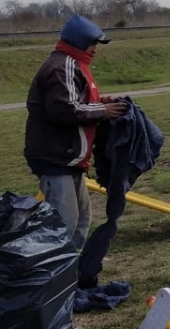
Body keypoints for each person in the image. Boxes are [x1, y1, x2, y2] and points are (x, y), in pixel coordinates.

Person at [25, 14, 127, 251]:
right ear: (79, 41)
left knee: (81, 219)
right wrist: (104, 110)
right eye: (92, 44)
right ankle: (54, 276)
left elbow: (78, 102)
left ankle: (73, 273)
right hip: (55, 158)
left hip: (69, 159)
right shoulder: (62, 67)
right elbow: (64, 110)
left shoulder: (72, 65)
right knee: (64, 223)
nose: (95, 50)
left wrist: (104, 102)